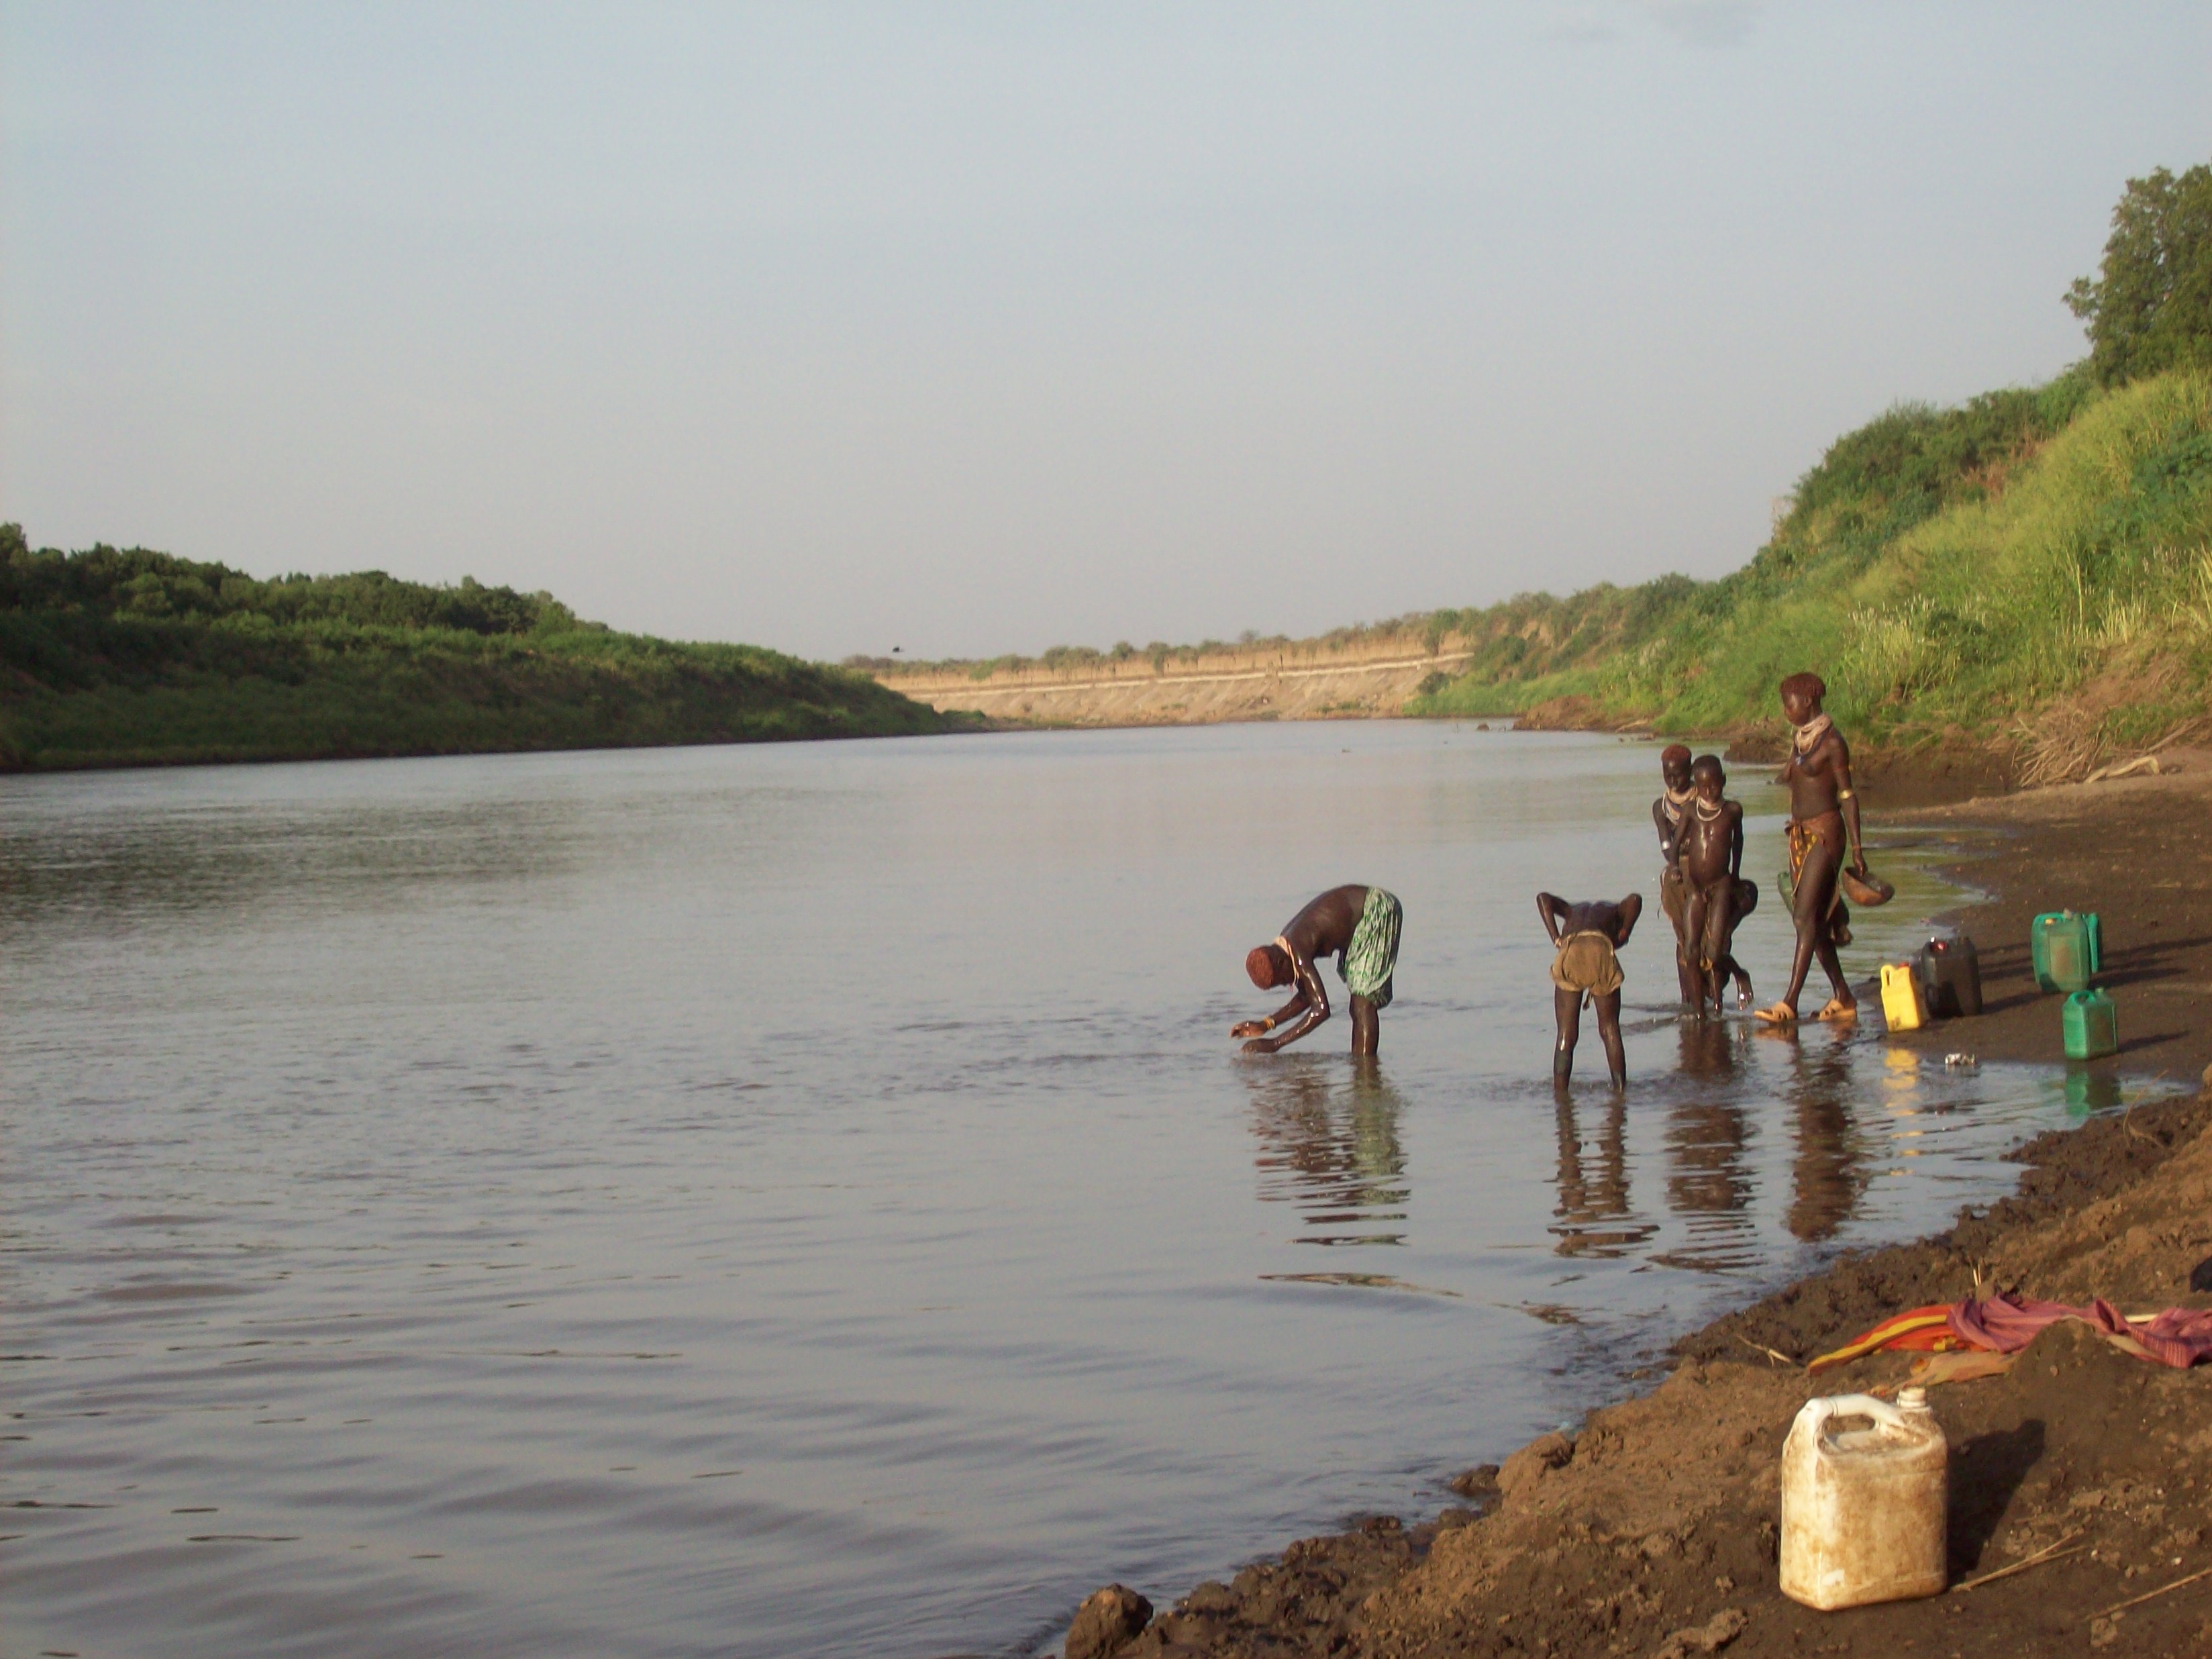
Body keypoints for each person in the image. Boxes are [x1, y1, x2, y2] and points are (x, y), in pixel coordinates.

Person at [1755, 672, 1868, 1026]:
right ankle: (1844, 996)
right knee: (1812, 922)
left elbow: (1847, 796)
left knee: (1804, 916)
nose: (1785, 711)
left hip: (1826, 833)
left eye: (1788, 704)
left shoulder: (1833, 742)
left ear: (1807, 702)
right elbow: (1793, 775)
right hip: (1799, 836)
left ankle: (1789, 1002)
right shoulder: (1801, 740)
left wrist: (1859, 849)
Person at [1235, 885, 1402, 1057]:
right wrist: (1266, 1024)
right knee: (1358, 1007)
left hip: (1376, 910)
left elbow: (1321, 1010)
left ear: (1280, 962)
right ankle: (1361, 1069)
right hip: (1361, 918)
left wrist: (1275, 1043)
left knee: (1362, 1004)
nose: (1288, 984)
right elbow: (1307, 996)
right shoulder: (1286, 948)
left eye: (1284, 980)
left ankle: (1367, 1075)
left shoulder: (1298, 950)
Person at [1673, 754, 1754, 1019]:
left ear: (1724, 781)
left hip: (1720, 885)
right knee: (1691, 952)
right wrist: (1675, 869)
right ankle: (1700, 1013)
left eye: (1715, 785)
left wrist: (1737, 875)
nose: (1710, 791)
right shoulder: (1690, 812)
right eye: (1704, 786)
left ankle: (1740, 974)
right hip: (1696, 887)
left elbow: (1738, 843)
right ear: (1696, 787)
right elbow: (1675, 846)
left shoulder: (1732, 811)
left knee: (1715, 951)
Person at [1538, 891, 1642, 1089]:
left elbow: (1543, 898)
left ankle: (1560, 1095)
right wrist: (1626, 931)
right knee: (1609, 1028)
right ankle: (1620, 1091)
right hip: (1599, 947)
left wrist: (1556, 937)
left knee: (1566, 1034)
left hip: (1571, 948)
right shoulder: (1614, 910)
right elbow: (1635, 900)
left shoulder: (1571, 911)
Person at [1652, 744, 1699, 1005]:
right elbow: (1667, 846)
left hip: (1707, 872)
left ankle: (1712, 994)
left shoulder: (1704, 796)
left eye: (1678, 776)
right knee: (1684, 938)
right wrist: (1678, 866)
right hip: (1678, 874)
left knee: (1710, 939)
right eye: (1667, 776)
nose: (1672, 781)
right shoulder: (1661, 808)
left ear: (1690, 771)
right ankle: (1687, 998)